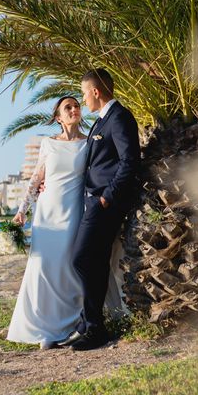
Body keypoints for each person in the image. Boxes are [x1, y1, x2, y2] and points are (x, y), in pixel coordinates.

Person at [58, 68, 141, 351]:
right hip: (94, 201)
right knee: (93, 261)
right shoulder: (100, 122)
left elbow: (130, 161)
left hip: (105, 203)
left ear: (95, 91)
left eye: (83, 93)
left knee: (82, 258)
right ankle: (89, 324)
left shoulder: (119, 118)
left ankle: (94, 327)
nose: (83, 99)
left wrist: (108, 196)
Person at [6, 96, 88, 349]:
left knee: (67, 264)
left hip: (74, 210)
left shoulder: (89, 143)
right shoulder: (48, 143)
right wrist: (22, 210)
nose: (74, 109)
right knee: (43, 268)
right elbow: (36, 178)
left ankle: (71, 323)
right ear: (58, 117)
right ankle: (44, 329)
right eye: (68, 108)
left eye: (76, 106)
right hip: (47, 212)